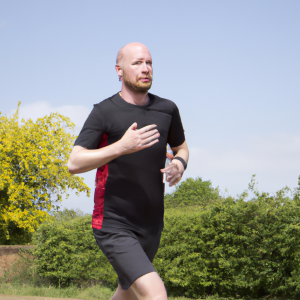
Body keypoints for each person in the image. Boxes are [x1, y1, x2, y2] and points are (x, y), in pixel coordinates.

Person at [68, 42, 189, 300]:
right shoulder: (104, 112)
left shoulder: (167, 109)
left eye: (149, 63)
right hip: (113, 223)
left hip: (152, 225)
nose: (145, 69)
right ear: (119, 70)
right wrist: (121, 147)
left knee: (127, 296)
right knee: (156, 294)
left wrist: (179, 164)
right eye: (137, 63)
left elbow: (181, 148)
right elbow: (74, 162)